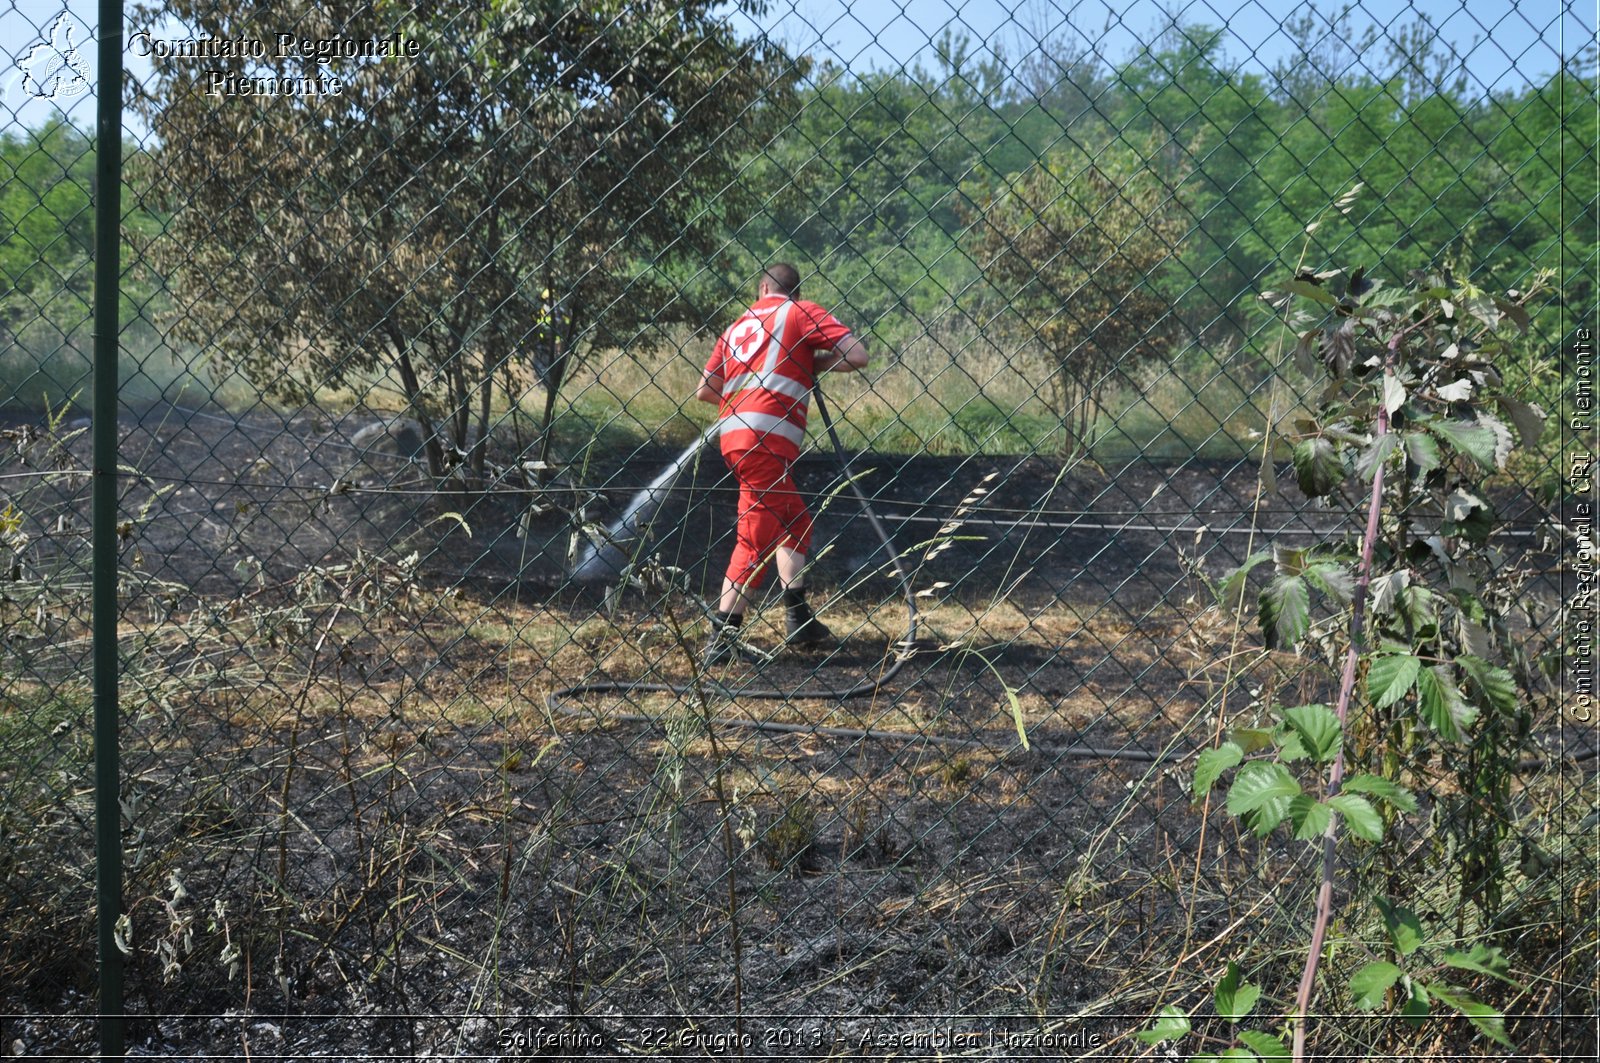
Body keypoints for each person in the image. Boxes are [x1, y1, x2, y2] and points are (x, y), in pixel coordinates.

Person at [695, 263, 870, 665]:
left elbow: (706, 391)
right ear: (793, 291)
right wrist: (814, 363)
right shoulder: (799, 311)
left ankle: (798, 618)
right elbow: (857, 354)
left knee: (794, 520)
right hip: (767, 441)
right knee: (754, 537)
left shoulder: (737, 326)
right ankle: (721, 639)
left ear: (761, 289)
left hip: (736, 436)